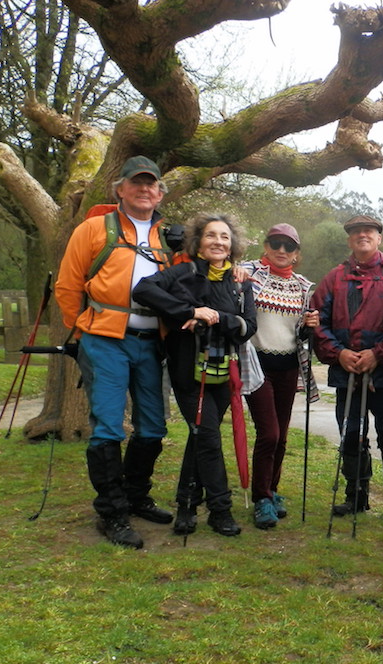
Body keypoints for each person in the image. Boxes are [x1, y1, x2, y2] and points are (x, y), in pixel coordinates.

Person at [55, 156, 176, 549]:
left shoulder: (169, 238)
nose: (144, 189)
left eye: (151, 184)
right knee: (108, 425)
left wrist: (236, 269)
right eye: (136, 183)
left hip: (152, 343)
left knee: (153, 426)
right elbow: (68, 285)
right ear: (120, 189)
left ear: (160, 193)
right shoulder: (93, 229)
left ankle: (136, 496)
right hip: (105, 340)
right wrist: (83, 329)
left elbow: (199, 273)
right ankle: (111, 511)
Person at [133, 213, 257, 537]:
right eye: (211, 235)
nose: (218, 241)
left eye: (225, 237)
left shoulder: (240, 283)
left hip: (224, 372)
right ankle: (220, 509)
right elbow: (143, 289)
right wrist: (188, 312)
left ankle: (187, 505)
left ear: (232, 245)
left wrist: (215, 317)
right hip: (188, 371)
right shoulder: (182, 273)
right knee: (209, 437)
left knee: (200, 435)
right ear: (198, 243)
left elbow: (248, 327)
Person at [312, 215, 383, 526]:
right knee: (351, 435)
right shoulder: (334, 278)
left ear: (379, 238)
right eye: (356, 232)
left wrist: (378, 354)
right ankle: (355, 496)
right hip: (347, 374)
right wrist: (338, 353)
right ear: (349, 239)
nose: (362, 235)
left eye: (368, 231)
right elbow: (317, 321)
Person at [239, 224, 318, 529]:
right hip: (257, 366)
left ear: (296, 253)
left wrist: (309, 325)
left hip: (288, 367)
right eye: (276, 243)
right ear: (266, 246)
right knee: (269, 434)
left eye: (288, 246)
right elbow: (230, 273)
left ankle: (271, 491)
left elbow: (300, 333)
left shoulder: (302, 286)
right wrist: (236, 272)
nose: (282, 250)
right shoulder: (249, 273)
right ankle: (261, 498)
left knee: (281, 436)